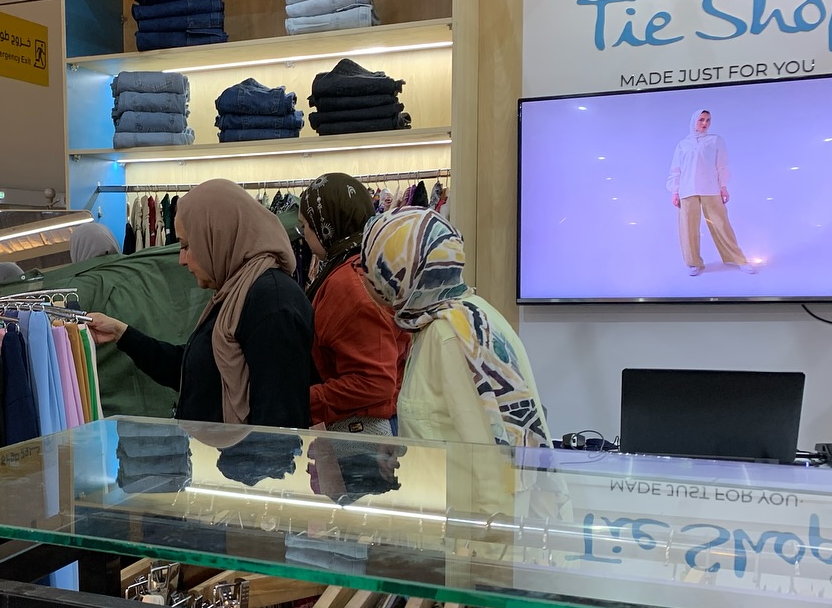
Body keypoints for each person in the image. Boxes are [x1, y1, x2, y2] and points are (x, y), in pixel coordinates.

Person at [87, 178, 312, 427]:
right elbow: (193, 369)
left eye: (186, 246)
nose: (181, 260)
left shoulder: (272, 304)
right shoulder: (236, 293)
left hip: (236, 452)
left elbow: (279, 424)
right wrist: (121, 333)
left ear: (217, 238)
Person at [361, 207, 549, 451]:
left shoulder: (450, 335)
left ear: (395, 275)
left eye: (369, 267)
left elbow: (486, 453)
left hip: (463, 479)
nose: (363, 278)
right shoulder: (459, 313)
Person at [298, 173, 409, 434]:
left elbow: (375, 381)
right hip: (369, 422)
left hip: (363, 428)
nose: (303, 236)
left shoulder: (350, 284)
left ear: (326, 225)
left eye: (304, 226)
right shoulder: (372, 264)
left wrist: (303, 400)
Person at [667, 109, 756, 277]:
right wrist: (675, 191)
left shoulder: (715, 141)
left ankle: (738, 259)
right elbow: (676, 169)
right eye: (701, 119)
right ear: (694, 121)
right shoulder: (683, 144)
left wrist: (723, 187)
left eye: (708, 120)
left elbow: (721, 165)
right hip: (687, 189)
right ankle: (693, 262)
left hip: (711, 188)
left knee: (721, 224)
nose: (705, 123)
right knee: (687, 228)